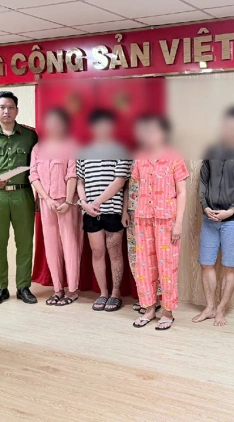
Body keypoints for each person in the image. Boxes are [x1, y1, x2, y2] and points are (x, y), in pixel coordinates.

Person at [193, 106, 234, 326]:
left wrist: (232, 210)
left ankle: (221, 310)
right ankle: (210, 307)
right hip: (209, 218)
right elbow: (203, 180)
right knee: (206, 263)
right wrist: (205, 206)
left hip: (233, 220)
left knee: (229, 266)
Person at [0, 91, 38, 307]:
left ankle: (23, 287)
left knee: (25, 243)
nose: (6, 111)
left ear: (17, 110)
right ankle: (0, 288)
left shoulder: (30, 135)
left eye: (11, 107)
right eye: (2, 107)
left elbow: (39, 166)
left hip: (23, 194)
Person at [132, 114, 189, 330]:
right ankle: (148, 308)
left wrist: (178, 223)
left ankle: (167, 312)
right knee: (144, 266)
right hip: (143, 218)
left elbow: (182, 192)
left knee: (167, 267)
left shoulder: (174, 158)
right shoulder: (140, 157)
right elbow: (136, 186)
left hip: (167, 220)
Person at [76, 110, 132, 312]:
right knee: (97, 252)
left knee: (115, 253)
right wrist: (84, 202)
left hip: (113, 210)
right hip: (90, 212)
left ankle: (116, 293)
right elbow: (80, 181)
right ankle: (103, 292)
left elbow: (120, 182)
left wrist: (97, 202)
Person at [29, 108, 82, 306]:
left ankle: (72, 290)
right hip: (47, 203)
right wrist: (46, 199)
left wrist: (67, 201)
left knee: (70, 244)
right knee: (51, 246)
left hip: (67, 203)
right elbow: (33, 176)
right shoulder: (38, 149)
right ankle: (58, 289)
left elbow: (72, 174)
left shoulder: (71, 146)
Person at [123, 118, 161, 315]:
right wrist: (125, 211)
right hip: (133, 213)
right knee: (136, 257)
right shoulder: (133, 156)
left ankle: (157, 299)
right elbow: (127, 186)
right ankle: (145, 297)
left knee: (155, 256)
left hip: (153, 215)